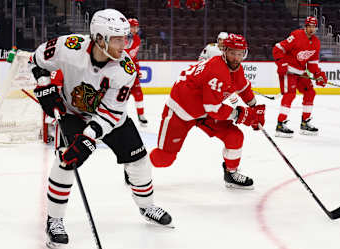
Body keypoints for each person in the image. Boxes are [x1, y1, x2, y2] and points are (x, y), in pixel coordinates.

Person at [31, 8, 173, 249]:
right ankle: (54, 220)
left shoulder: (125, 69)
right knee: (66, 160)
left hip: (109, 118)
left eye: (125, 38)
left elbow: (111, 113)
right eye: (118, 39)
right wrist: (45, 87)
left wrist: (88, 138)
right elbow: (37, 59)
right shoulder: (70, 46)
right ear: (99, 38)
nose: (124, 45)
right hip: (72, 113)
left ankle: (146, 206)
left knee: (139, 160)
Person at [149, 34, 266, 190]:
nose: (236, 58)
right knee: (164, 158)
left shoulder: (235, 68)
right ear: (224, 51)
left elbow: (243, 87)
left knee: (234, 136)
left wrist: (254, 107)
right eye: (232, 53)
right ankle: (136, 166)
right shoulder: (217, 70)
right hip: (181, 110)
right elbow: (213, 108)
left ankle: (231, 173)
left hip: (204, 111)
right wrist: (241, 115)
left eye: (240, 53)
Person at [272, 16, 327, 138]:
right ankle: (280, 125)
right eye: (309, 26)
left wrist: (318, 75)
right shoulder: (296, 35)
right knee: (290, 94)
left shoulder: (316, 42)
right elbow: (277, 48)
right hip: (288, 71)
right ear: (305, 26)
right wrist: (281, 63)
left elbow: (312, 63)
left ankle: (305, 123)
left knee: (310, 92)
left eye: (314, 27)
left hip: (301, 72)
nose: (312, 29)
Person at [125, 18, 148, 126]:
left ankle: (141, 114)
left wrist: (137, 70)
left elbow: (134, 58)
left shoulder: (137, 39)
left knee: (138, 93)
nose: (135, 29)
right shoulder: (121, 38)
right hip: (122, 72)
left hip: (131, 71)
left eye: (136, 27)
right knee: (122, 97)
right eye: (132, 27)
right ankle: (118, 116)